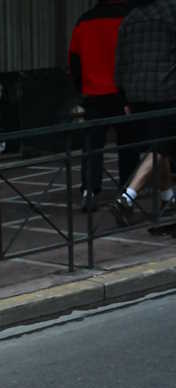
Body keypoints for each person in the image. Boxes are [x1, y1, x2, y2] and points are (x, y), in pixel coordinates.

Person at [110, 0, 176, 225]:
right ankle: (127, 197)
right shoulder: (171, 10)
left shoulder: (130, 19)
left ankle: (169, 198)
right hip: (166, 90)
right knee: (161, 147)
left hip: (136, 93)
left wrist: (124, 96)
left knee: (159, 147)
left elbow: (120, 62)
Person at [69, 0, 135, 212]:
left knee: (92, 147)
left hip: (93, 94)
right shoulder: (127, 17)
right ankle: (127, 191)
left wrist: (81, 87)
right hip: (121, 93)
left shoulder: (84, 21)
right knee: (127, 145)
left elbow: (74, 59)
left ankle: (89, 190)